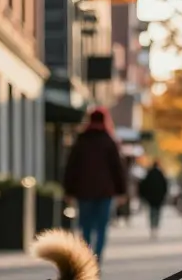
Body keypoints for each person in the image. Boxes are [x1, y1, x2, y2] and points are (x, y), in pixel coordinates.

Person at [63, 107, 128, 265]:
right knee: (101, 228)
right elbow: (117, 169)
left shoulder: (81, 140)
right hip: (105, 192)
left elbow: (71, 167)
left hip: (84, 192)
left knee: (85, 227)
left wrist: (69, 190)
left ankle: (87, 259)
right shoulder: (109, 141)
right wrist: (121, 191)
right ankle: (96, 259)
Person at [138, 159, 170, 239]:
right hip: (158, 197)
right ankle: (156, 226)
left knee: (152, 212)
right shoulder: (161, 174)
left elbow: (143, 185)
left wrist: (144, 196)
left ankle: (152, 226)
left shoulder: (149, 174)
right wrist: (163, 195)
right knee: (157, 213)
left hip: (150, 197)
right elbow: (165, 186)